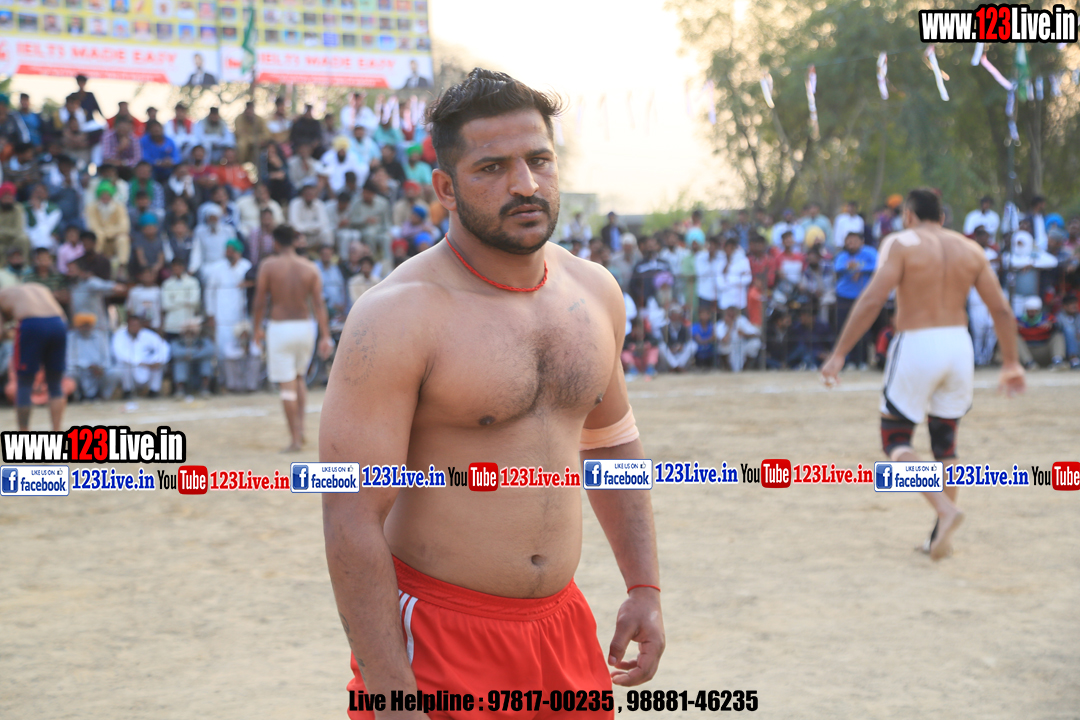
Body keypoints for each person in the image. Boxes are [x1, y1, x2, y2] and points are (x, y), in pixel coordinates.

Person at [320, 69, 663, 720]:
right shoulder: (397, 315)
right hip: (440, 635)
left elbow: (611, 443)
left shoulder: (594, 292)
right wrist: (391, 694)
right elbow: (350, 513)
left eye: (539, 160)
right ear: (446, 189)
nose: (525, 184)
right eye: (492, 167)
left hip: (562, 630)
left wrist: (644, 585)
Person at [821, 188, 1026, 561]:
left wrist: (839, 354)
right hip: (959, 345)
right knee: (945, 444)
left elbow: (872, 299)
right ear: (943, 218)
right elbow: (1000, 310)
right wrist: (1011, 362)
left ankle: (945, 511)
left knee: (896, 439)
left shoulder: (901, 243)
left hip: (917, 343)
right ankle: (938, 538)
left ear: (909, 216)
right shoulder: (971, 249)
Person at [252, 224, 332, 452]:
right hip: (305, 327)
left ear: (275, 243)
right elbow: (319, 304)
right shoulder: (310, 267)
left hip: (280, 327)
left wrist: (256, 328)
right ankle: (301, 429)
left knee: (287, 386)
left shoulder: (269, 266)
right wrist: (325, 335)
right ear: (295, 242)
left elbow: (260, 301)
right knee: (299, 379)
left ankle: (296, 439)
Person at [0, 284, 69, 429]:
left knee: (24, 383)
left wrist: (9, 334)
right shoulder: (39, 288)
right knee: (55, 384)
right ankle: (57, 432)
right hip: (59, 323)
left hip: (31, 323)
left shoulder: (2, 296)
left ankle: (24, 434)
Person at [833, 231, 878, 368]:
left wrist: (858, 267)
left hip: (863, 297)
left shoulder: (870, 252)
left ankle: (862, 360)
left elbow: (877, 265)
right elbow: (838, 267)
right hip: (844, 296)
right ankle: (847, 360)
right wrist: (852, 267)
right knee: (844, 329)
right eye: (848, 241)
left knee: (863, 329)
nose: (850, 244)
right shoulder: (842, 255)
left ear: (861, 242)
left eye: (853, 241)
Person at [111, 314, 170, 398]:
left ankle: (153, 391)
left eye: (137, 325)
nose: (134, 328)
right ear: (127, 326)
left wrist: (158, 361)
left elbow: (163, 347)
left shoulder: (148, 335)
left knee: (158, 363)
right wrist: (140, 363)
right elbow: (119, 354)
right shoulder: (119, 335)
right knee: (124, 365)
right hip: (131, 369)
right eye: (132, 325)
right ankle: (127, 391)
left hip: (148, 367)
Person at [66, 312, 121, 401]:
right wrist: (88, 366)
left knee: (115, 372)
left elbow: (107, 358)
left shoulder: (100, 337)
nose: (86, 328)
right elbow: (69, 360)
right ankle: (77, 397)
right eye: (83, 325)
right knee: (70, 373)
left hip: (98, 372)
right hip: (80, 371)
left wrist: (101, 367)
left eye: (88, 325)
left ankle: (104, 397)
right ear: (78, 326)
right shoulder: (71, 338)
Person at [1015, 297, 1066, 369]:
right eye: (1030, 311)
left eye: (1034, 311)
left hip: (1044, 350)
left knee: (1058, 336)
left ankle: (1057, 361)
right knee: (1015, 338)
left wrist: (1053, 325)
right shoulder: (1018, 320)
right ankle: (1029, 363)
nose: (1032, 313)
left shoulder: (1047, 318)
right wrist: (1013, 327)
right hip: (1027, 351)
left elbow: (1059, 327)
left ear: (1039, 310)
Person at [169, 318, 214, 397]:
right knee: (180, 362)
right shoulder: (176, 341)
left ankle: (205, 390)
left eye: (192, 331)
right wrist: (195, 351)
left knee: (206, 362)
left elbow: (210, 351)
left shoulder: (203, 340)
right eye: (187, 331)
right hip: (185, 367)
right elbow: (175, 353)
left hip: (198, 367)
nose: (189, 333)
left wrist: (191, 355)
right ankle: (180, 391)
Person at [716, 304, 761, 372]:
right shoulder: (720, 325)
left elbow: (756, 333)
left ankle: (745, 368)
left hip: (742, 346)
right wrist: (729, 327)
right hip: (728, 347)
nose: (731, 317)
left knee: (755, 343)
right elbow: (725, 340)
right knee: (724, 349)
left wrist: (745, 334)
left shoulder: (741, 320)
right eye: (729, 315)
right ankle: (728, 369)